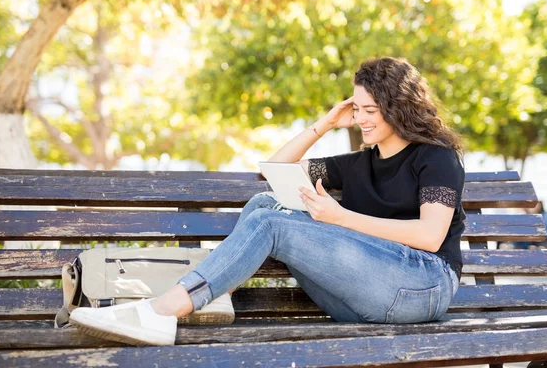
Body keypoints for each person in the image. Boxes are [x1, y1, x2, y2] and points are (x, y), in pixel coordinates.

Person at [69, 57, 466, 346]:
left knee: (271, 225)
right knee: (264, 206)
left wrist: (341, 218)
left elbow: (431, 236)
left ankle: (163, 309)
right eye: (356, 109)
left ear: (398, 109)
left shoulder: (435, 157)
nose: (361, 119)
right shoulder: (359, 164)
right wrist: (325, 124)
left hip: (423, 285)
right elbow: (274, 169)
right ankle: (205, 298)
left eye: (371, 111)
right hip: (364, 299)